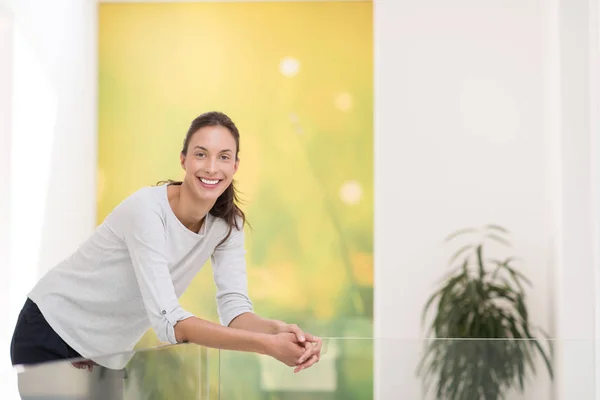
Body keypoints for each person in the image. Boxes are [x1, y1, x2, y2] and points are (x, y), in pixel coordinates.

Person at [10, 111, 322, 374]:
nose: (212, 168)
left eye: (223, 157)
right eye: (201, 154)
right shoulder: (147, 211)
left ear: (235, 166)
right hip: (51, 328)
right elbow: (168, 320)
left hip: (103, 354)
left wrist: (276, 331)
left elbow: (235, 310)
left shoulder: (228, 224)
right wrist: (267, 346)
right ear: (184, 160)